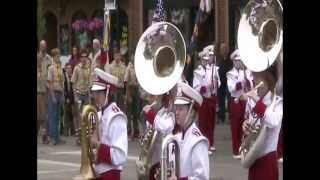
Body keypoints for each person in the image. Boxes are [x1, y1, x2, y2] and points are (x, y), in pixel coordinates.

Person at [241, 68, 283, 180]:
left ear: (268, 80)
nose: (254, 82)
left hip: (267, 159)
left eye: (257, 78)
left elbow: (273, 122)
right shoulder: (253, 101)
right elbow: (252, 125)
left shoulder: (277, 102)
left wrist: (257, 102)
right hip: (253, 158)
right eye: (253, 78)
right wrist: (245, 126)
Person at [90, 68, 128, 180]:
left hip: (110, 174)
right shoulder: (100, 114)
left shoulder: (116, 117)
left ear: (108, 92)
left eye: (99, 93)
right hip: (98, 172)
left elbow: (119, 156)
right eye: (94, 92)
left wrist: (97, 144)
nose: (95, 96)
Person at [168, 81, 210, 180]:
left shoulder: (198, 141)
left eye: (180, 109)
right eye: (176, 108)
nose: (176, 113)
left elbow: (202, 177)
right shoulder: (176, 137)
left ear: (191, 112)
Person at [193, 45, 221, 155]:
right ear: (201, 60)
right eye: (204, 60)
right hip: (203, 99)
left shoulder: (213, 69)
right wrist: (204, 87)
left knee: (211, 122)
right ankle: (205, 144)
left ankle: (211, 142)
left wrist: (215, 82)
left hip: (212, 98)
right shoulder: (197, 71)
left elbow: (218, 83)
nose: (206, 61)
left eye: (207, 59)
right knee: (204, 122)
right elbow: (196, 86)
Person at [226, 49, 254, 159]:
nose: (239, 63)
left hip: (245, 101)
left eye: (240, 61)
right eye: (237, 61)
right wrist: (239, 84)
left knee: (246, 124)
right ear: (233, 62)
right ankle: (236, 150)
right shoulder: (230, 73)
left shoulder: (247, 72)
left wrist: (248, 81)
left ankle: (245, 147)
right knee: (236, 126)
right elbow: (230, 88)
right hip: (236, 100)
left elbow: (252, 84)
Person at [71, 48, 92, 144]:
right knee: (79, 116)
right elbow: (73, 82)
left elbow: (90, 81)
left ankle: (85, 136)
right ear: (80, 58)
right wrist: (75, 96)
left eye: (85, 57)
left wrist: (90, 92)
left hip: (86, 93)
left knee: (87, 114)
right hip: (79, 94)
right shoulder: (77, 68)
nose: (84, 59)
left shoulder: (88, 68)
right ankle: (78, 137)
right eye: (82, 57)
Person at [47, 48, 65, 145]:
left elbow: (62, 82)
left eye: (59, 56)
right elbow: (49, 83)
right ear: (53, 57)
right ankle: (53, 138)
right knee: (52, 116)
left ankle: (57, 137)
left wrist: (62, 94)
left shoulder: (60, 68)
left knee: (58, 116)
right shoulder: (51, 68)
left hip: (59, 93)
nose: (59, 57)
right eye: (57, 56)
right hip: (53, 93)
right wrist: (53, 96)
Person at [37, 40, 52, 144]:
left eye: (44, 46)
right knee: (40, 115)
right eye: (41, 46)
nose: (43, 47)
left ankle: (44, 135)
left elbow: (51, 72)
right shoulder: (37, 57)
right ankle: (42, 133)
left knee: (45, 113)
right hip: (38, 90)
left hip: (46, 89)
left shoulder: (49, 59)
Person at [124, 54, 140, 140]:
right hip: (130, 89)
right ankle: (129, 132)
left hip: (136, 90)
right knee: (129, 113)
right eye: (133, 58)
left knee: (135, 113)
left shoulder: (138, 67)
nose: (134, 59)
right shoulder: (128, 68)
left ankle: (136, 132)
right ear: (131, 59)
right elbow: (126, 82)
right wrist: (128, 95)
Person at [62, 63, 75, 136]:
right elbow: (65, 89)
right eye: (67, 68)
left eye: (70, 68)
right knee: (66, 114)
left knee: (72, 114)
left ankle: (73, 131)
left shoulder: (73, 76)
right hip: (66, 98)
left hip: (73, 98)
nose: (69, 69)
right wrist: (66, 98)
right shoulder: (64, 77)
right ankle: (65, 131)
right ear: (65, 69)